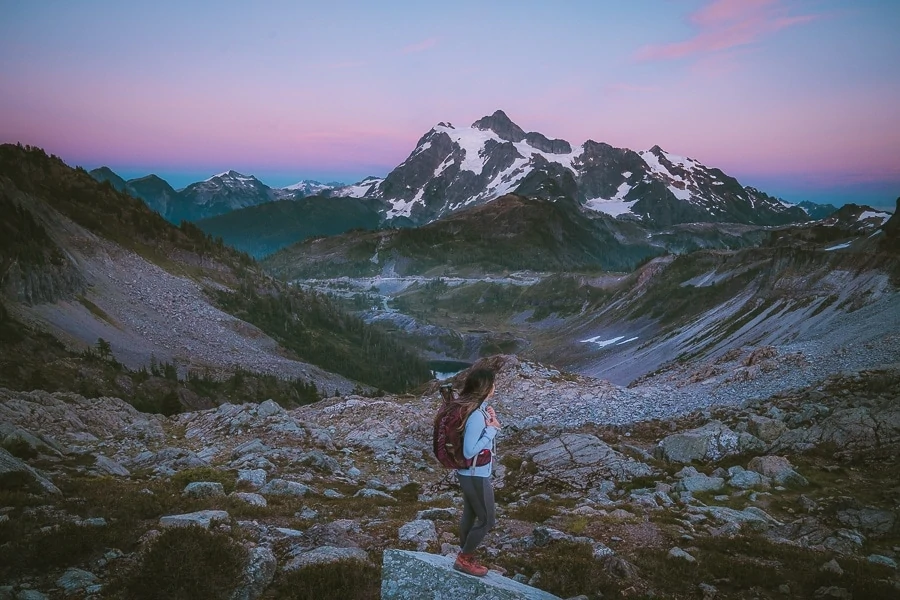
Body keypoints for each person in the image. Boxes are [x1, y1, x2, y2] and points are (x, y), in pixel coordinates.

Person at [453, 368, 502, 577]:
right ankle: (464, 558)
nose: (495, 387)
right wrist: (491, 430)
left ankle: (466, 554)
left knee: (471, 514)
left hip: (470, 474)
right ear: (485, 387)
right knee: (486, 520)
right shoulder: (475, 416)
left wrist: (489, 419)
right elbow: (469, 450)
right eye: (492, 383)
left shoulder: (476, 409)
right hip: (476, 475)